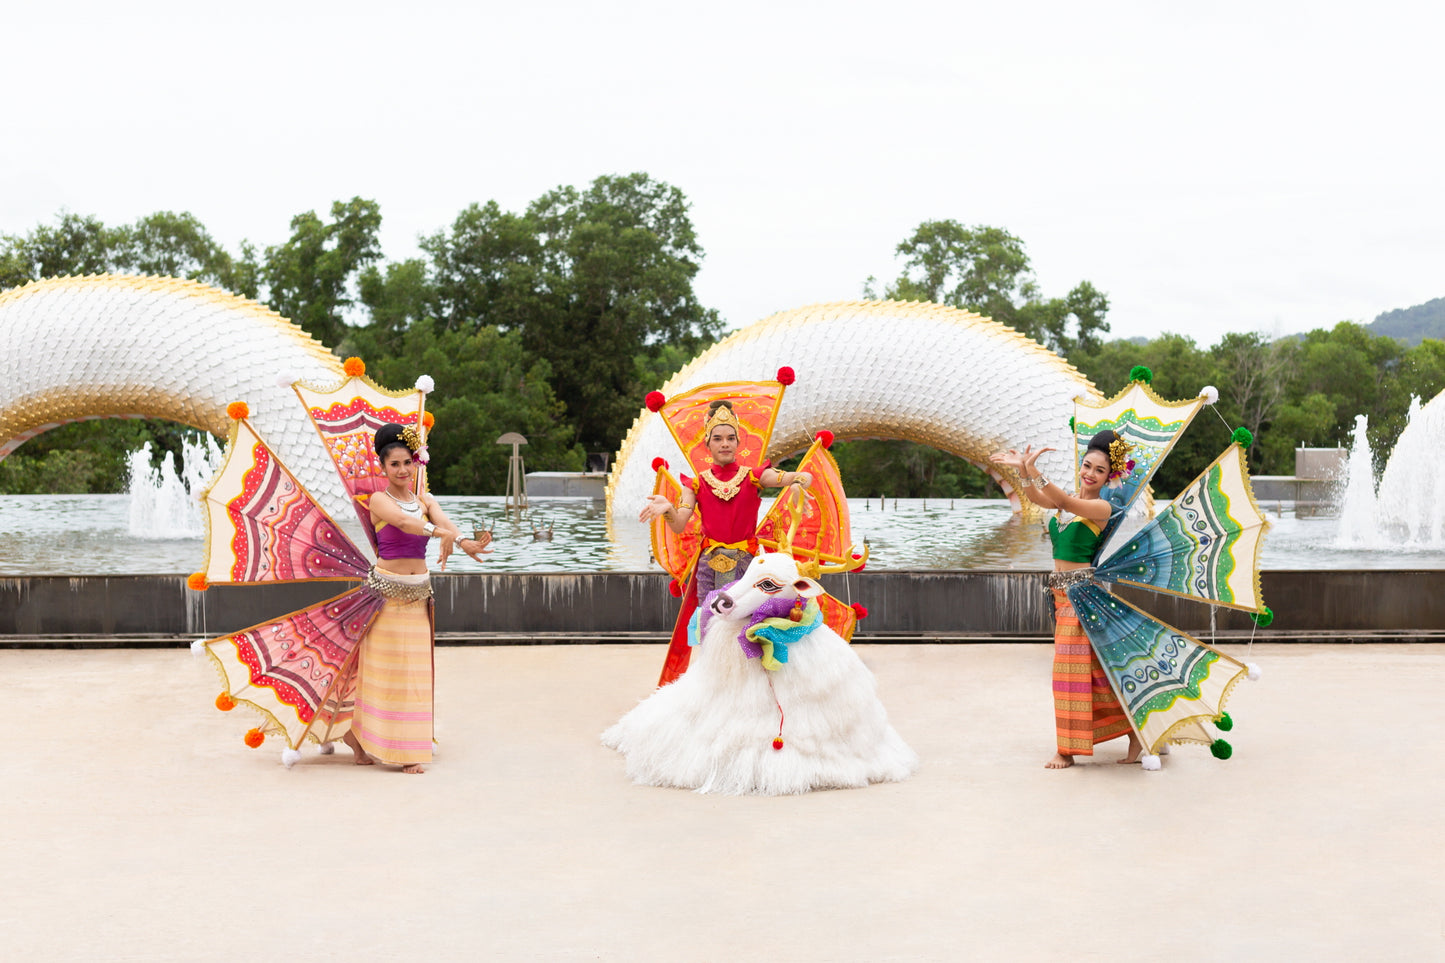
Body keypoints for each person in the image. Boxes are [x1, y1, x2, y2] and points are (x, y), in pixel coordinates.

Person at [340, 422, 492, 774]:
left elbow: (445, 523)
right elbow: (406, 524)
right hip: (387, 594)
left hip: (419, 593)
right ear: (383, 467)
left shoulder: (425, 500)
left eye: (408, 462)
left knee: (414, 672)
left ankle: (394, 742)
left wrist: (465, 541)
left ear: (416, 463)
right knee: (384, 671)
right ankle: (365, 738)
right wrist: (441, 534)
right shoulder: (378, 499)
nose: (402, 470)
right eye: (394, 464)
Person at [990, 430, 1143, 769]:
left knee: (1068, 674)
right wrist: (1023, 472)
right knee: (1095, 675)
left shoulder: (1101, 507)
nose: (1089, 473)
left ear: (1109, 476)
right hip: (1061, 596)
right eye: (1087, 465)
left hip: (1082, 596)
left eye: (1099, 470)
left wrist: (1034, 471)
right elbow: (1039, 499)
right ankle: (1137, 730)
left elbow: (1062, 503)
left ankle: (1067, 750)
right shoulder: (1071, 498)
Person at [638, 400, 813, 677]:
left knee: (746, 626)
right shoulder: (695, 484)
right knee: (711, 629)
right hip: (709, 567)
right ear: (707, 444)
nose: (725, 444)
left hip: (747, 568)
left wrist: (798, 482)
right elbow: (679, 524)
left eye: (731, 438)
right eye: (718, 438)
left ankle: (750, 684)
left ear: (738, 442)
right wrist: (669, 510)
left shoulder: (755, 476)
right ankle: (714, 683)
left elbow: (799, 477)